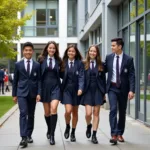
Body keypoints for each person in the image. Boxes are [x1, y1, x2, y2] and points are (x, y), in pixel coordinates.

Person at [104, 38, 135, 145]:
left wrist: (131, 90)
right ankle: (114, 134)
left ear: (119, 46)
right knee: (113, 109)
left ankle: (120, 133)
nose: (111, 47)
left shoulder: (129, 59)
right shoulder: (108, 58)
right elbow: (103, 69)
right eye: (111, 45)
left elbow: (132, 75)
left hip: (123, 89)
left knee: (122, 112)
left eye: (113, 45)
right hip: (112, 88)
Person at [12, 42, 41, 148]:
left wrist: (39, 93)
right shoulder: (18, 64)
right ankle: (23, 137)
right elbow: (15, 80)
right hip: (21, 93)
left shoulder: (37, 65)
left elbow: (39, 80)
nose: (28, 52)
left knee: (31, 115)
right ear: (23, 51)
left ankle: (29, 135)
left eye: (30, 50)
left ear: (32, 52)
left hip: (33, 93)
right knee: (23, 113)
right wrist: (14, 94)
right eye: (26, 50)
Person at [80, 45, 106, 144]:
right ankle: (88, 125)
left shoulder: (101, 65)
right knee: (88, 113)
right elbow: (81, 78)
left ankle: (94, 135)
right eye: (91, 51)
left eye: (94, 51)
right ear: (88, 52)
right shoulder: (84, 64)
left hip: (98, 90)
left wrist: (104, 92)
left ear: (97, 53)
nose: (92, 53)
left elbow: (103, 79)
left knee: (96, 113)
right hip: (87, 91)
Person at [38, 41, 62, 145]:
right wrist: (38, 92)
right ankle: (49, 128)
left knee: (54, 108)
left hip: (56, 87)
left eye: (53, 48)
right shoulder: (41, 59)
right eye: (50, 48)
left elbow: (63, 74)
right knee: (47, 112)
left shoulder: (59, 60)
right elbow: (38, 77)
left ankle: (52, 135)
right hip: (44, 88)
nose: (52, 50)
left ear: (55, 50)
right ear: (47, 49)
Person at [61, 45, 84, 142]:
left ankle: (73, 132)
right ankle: (67, 126)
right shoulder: (63, 63)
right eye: (69, 51)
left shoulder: (79, 63)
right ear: (67, 52)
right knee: (68, 111)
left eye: (73, 51)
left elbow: (81, 77)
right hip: (66, 90)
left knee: (75, 112)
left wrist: (80, 88)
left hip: (76, 91)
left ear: (76, 53)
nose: (71, 53)